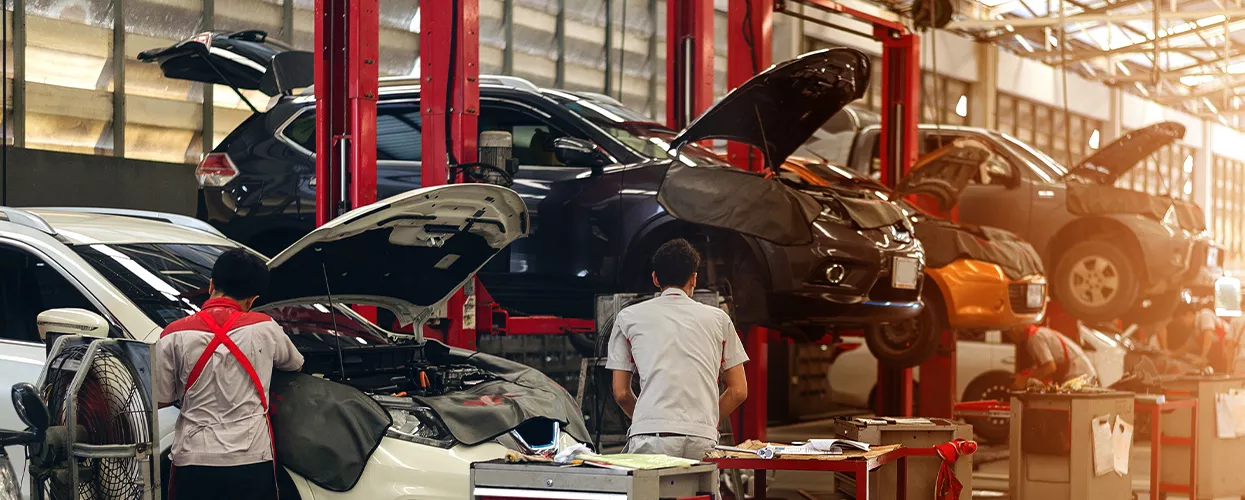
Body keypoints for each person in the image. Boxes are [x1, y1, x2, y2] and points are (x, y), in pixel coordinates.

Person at [154, 249, 304, 500]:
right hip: (251, 457)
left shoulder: (173, 334)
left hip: (194, 457)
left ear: (211, 285)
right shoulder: (265, 327)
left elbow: (161, 397)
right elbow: (295, 365)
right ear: (252, 299)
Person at [606, 239, 749, 460]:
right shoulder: (719, 319)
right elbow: (738, 390)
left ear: (655, 278)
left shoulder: (628, 318)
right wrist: (705, 421)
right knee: (701, 484)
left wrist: (647, 420)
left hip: (651, 436)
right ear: (694, 278)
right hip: (702, 436)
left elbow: (622, 393)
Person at [1007, 324, 1097, 389]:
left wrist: (1024, 380)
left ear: (1013, 329)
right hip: (1077, 370)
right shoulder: (1037, 334)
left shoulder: (1035, 337)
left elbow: (1050, 367)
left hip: (1079, 373)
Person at [1162, 302, 1231, 373]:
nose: (1183, 324)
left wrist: (1202, 357)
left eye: (1182, 320)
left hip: (1227, 350)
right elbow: (1186, 347)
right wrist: (1171, 354)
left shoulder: (1204, 315)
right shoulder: (1195, 330)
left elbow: (1208, 337)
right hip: (1217, 355)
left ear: (1189, 314)